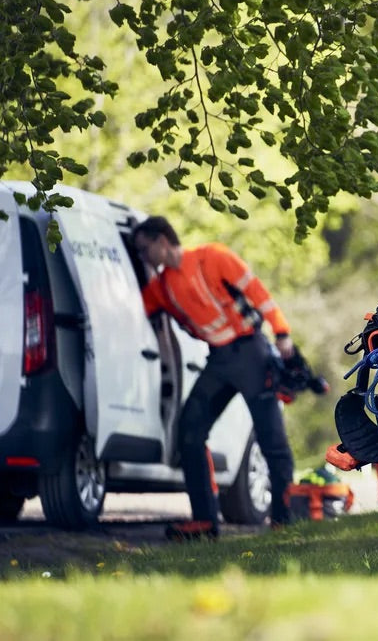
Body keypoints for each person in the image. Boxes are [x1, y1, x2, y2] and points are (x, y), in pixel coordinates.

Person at [132, 216, 297, 540]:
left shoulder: (213, 256)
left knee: (270, 439)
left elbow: (259, 293)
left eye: (144, 248)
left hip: (252, 353)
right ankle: (204, 522)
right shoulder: (162, 288)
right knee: (190, 431)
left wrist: (282, 332)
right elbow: (134, 310)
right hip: (219, 361)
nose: (143, 256)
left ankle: (283, 519)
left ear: (163, 241)